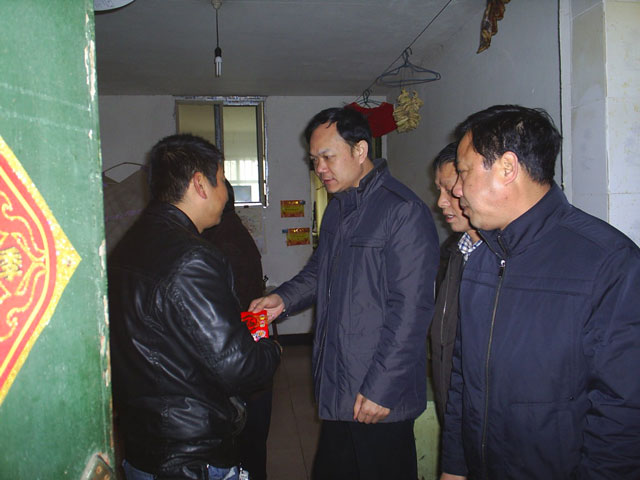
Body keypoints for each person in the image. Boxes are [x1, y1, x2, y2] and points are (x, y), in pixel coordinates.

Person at [440, 105, 640, 479]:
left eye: (464, 172)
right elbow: (463, 383)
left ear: (507, 168)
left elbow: (623, 411)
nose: (455, 189)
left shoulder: (607, 262)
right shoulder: (481, 260)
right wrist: (454, 465)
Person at [250, 107, 440, 480]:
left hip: (378, 393)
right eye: (314, 160)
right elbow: (320, 271)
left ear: (360, 150)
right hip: (341, 384)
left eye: (327, 157)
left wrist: (382, 389)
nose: (319, 168)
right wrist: (283, 299)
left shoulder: (402, 212)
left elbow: (412, 312)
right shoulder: (338, 209)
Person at [108, 134, 281, 480]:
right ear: (200, 184)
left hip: (144, 445)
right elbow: (237, 366)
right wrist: (271, 350)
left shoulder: (129, 244)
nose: (225, 193)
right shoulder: (193, 257)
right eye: (221, 180)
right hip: (189, 454)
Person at [201, 180, 273, 480]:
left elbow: (227, 317)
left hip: (241, 364)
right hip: (249, 357)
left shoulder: (220, 242)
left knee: (245, 451)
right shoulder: (228, 232)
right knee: (252, 449)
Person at [429, 142, 481, 427]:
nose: (441, 202)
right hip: (450, 405)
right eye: (439, 190)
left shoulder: (501, 260)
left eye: (450, 191)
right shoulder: (452, 254)